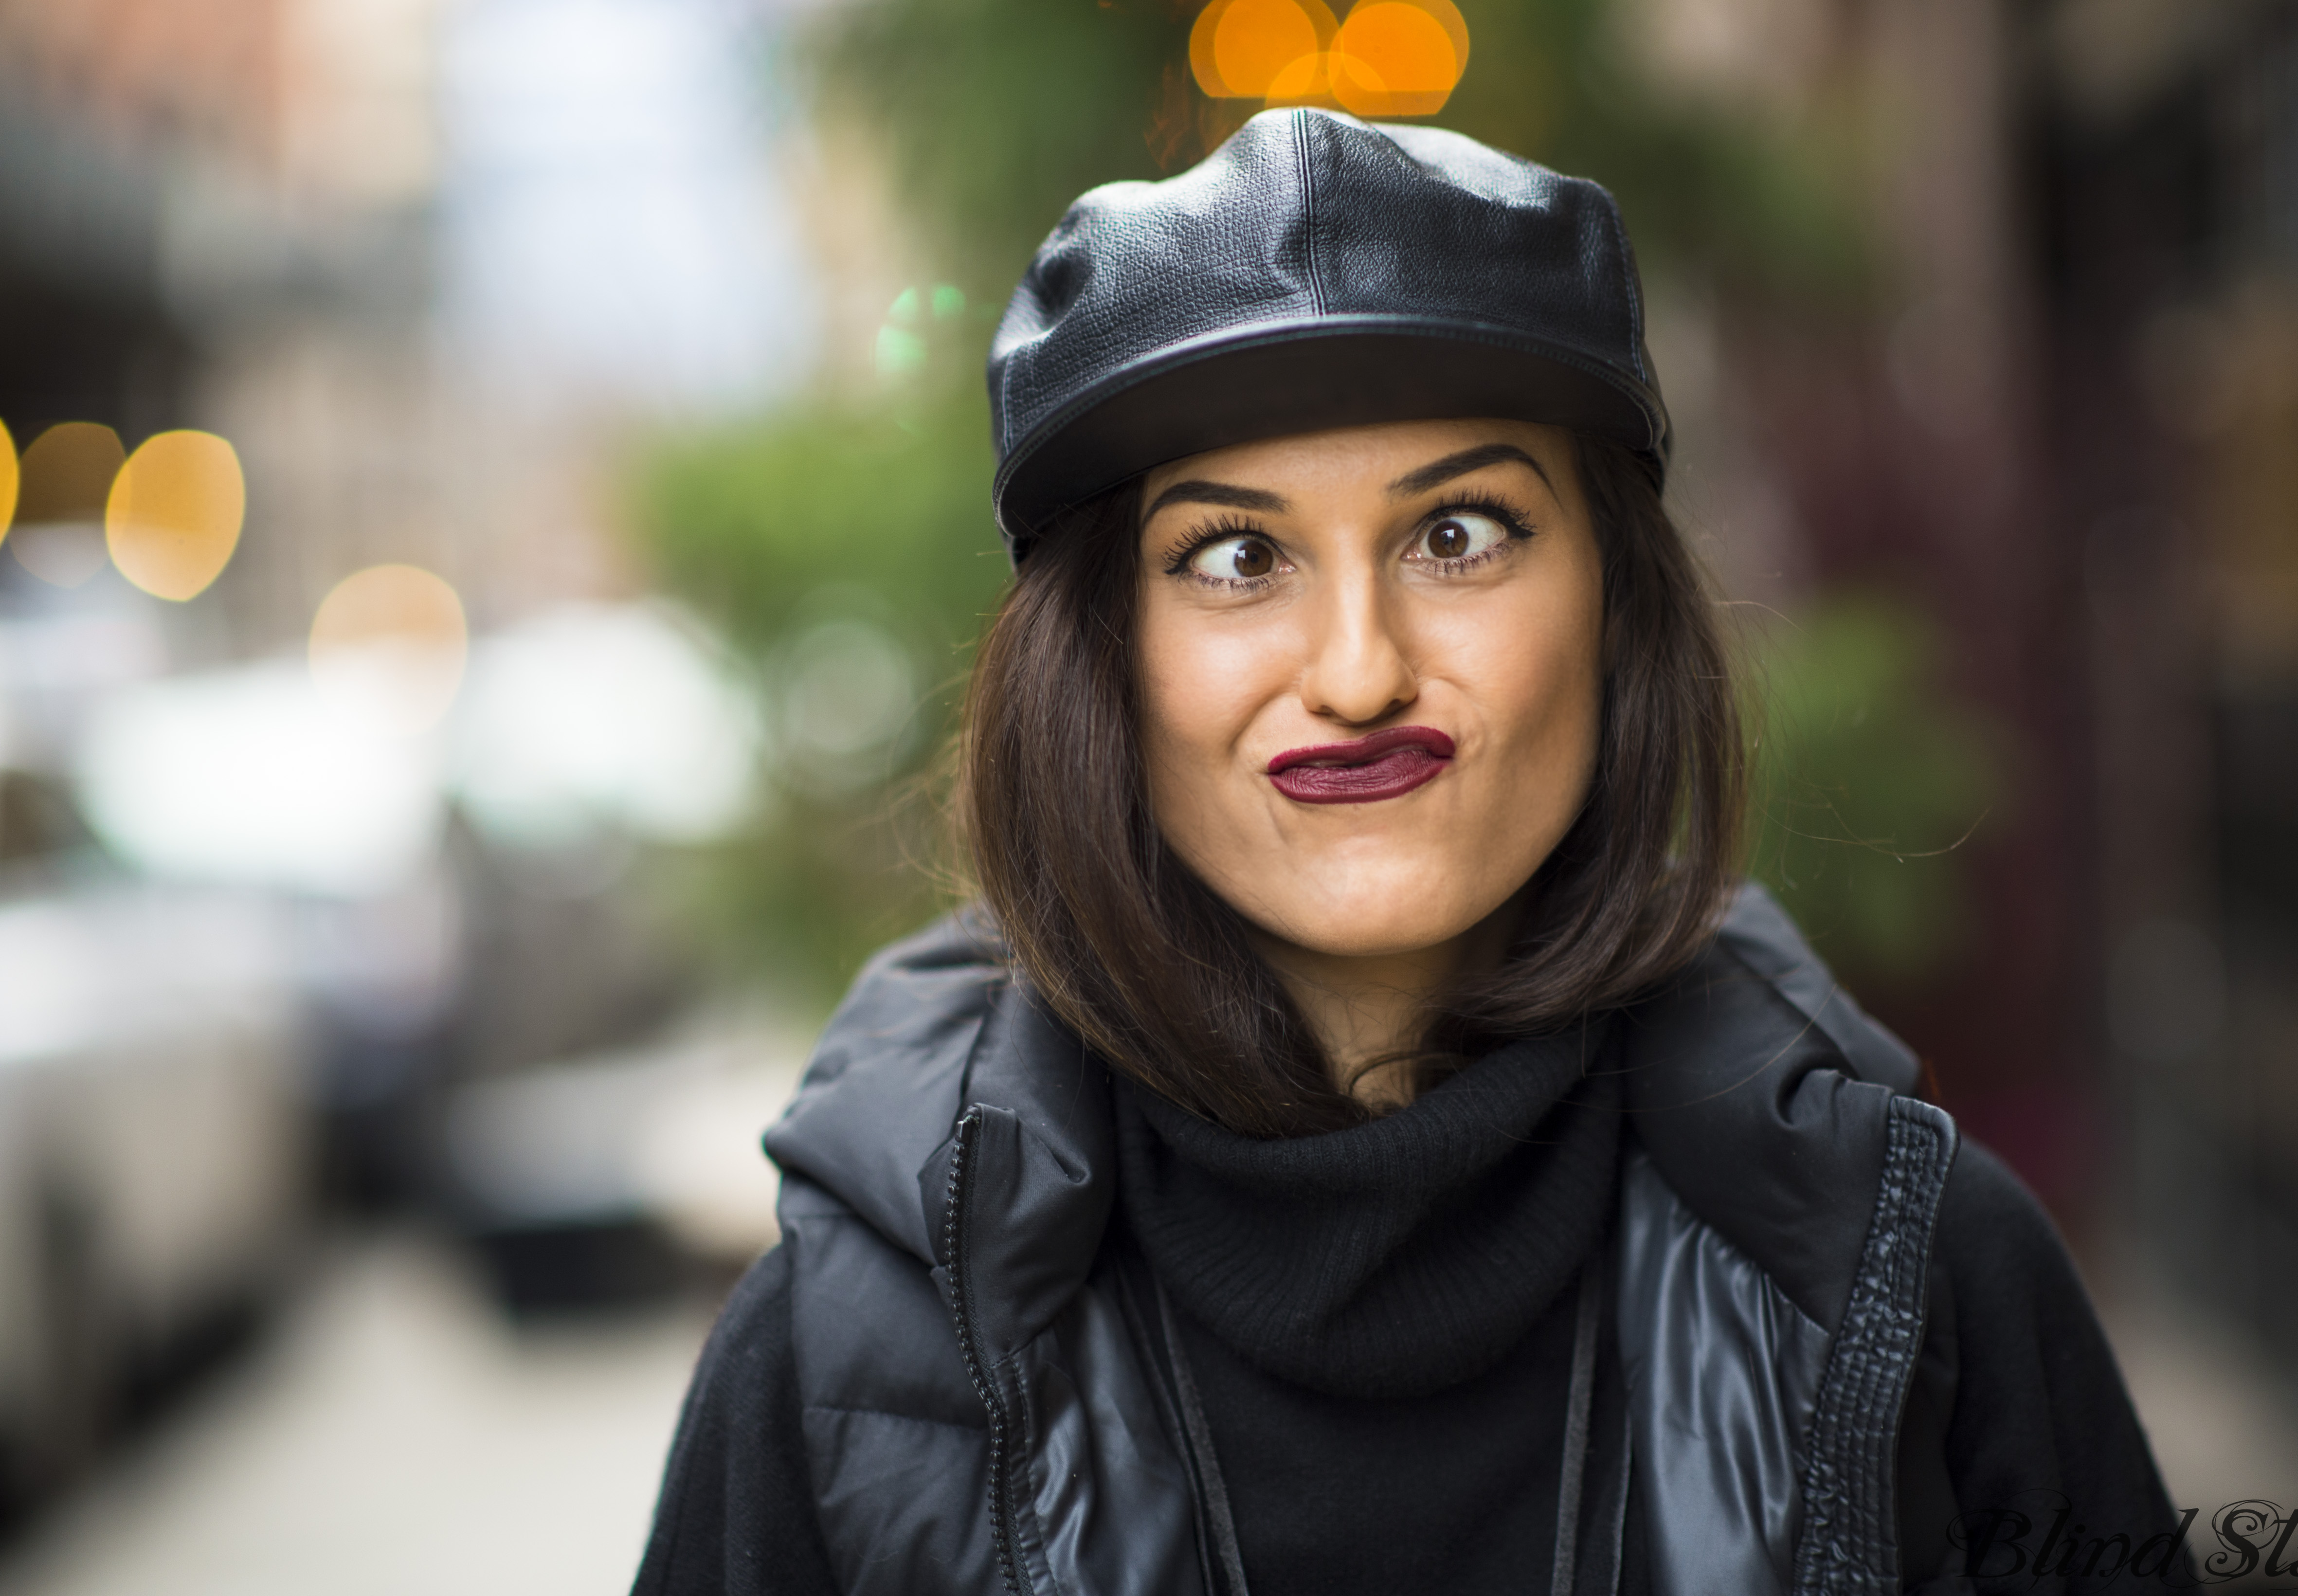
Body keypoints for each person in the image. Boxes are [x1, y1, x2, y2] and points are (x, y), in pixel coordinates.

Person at [633, 109, 2187, 1596]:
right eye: (1237, 557)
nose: (1361, 669)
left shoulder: (1920, 1283)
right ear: (1100, 662)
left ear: (1614, 609)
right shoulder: (848, 1370)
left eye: (1459, 536)